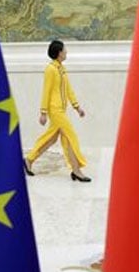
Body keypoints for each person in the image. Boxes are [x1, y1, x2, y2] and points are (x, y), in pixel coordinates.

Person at [24, 40, 91, 182]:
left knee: (51, 138)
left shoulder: (61, 68)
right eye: (65, 49)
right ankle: (77, 170)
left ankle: (29, 160)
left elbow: (68, 89)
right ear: (59, 52)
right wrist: (43, 112)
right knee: (70, 136)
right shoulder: (50, 69)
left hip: (62, 109)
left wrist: (77, 106)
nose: (66, 52)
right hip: (55, 110)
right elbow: (46, 91)